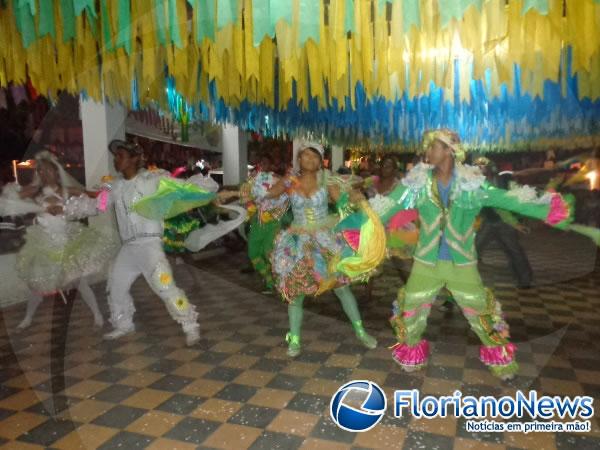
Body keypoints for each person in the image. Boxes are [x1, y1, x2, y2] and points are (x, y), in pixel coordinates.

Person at [379, 129, 572, 380]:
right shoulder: (417, 182)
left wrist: (547, 208)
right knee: (412, 309)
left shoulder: (472, 183)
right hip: (426, 260)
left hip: (461, 263)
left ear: (449, 150)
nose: (428, 152)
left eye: (433, 147)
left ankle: (500, 358)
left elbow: (508, 200)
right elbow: (388, 205)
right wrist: (359, 223)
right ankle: (412, 353)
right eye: (427, 147)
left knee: (480, 313)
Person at [65, 140, 207, 346]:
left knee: (165, 286)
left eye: (120, 156)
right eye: (115, 156)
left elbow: (179, 188)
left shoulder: (152, 180)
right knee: (115, 286)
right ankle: (123, 325)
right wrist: (76, 196)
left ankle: (190, 325)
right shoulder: (116, 187)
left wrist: (205, 192)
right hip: (129, 248)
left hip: (149, 245)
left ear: (134, 159)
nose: (116, 160)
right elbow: (99, 204)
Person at [260, 143, 383, 357]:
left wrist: (356, 200)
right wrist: (268, 186)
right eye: (305, 156)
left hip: (325, 239)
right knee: (295, 292)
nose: (310, 160)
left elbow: (342, 201)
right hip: (297, 241)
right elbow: (270, 195)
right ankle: (295, 339)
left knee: (341, 287)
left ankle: (361, 332)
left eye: (314, 157)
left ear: (320, 161)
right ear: (299, 159)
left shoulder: (326, 180)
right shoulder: (290, 181)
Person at [1, 150, 117, 330]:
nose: (44, 174)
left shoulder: (68, 191)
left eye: (47, 170)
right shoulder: (34, 191)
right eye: (40, 171)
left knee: (79, 282)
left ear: (56, 171)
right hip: (44, 243)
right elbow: (8, 202)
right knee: (36, 285)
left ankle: (97, 315)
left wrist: (108, 187)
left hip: (67, 242)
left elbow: (98, 200)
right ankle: (28, 318)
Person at [473, 157, 533, 288]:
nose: (479, 168)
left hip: (505, 223)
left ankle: (525, 280)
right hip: (488, 222)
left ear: (489, 167)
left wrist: (517, 221)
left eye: (482, 166)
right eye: (477, 166)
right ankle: (464, 280)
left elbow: (521, 177)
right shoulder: (475, 183)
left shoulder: (503, 177)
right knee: (474, 250)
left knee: (514, 251)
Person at [239, 153, 290, 294]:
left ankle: (278, 283)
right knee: (253, 252)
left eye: (267, 162)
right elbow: (246, 197)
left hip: (274, 222)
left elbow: (281, 196)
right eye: (262, 162)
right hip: (258, 221)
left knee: (269, 252)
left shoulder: (283, 181)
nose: (264, 165)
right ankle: (269, 279)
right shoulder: (254, 179)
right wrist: (247, 198)